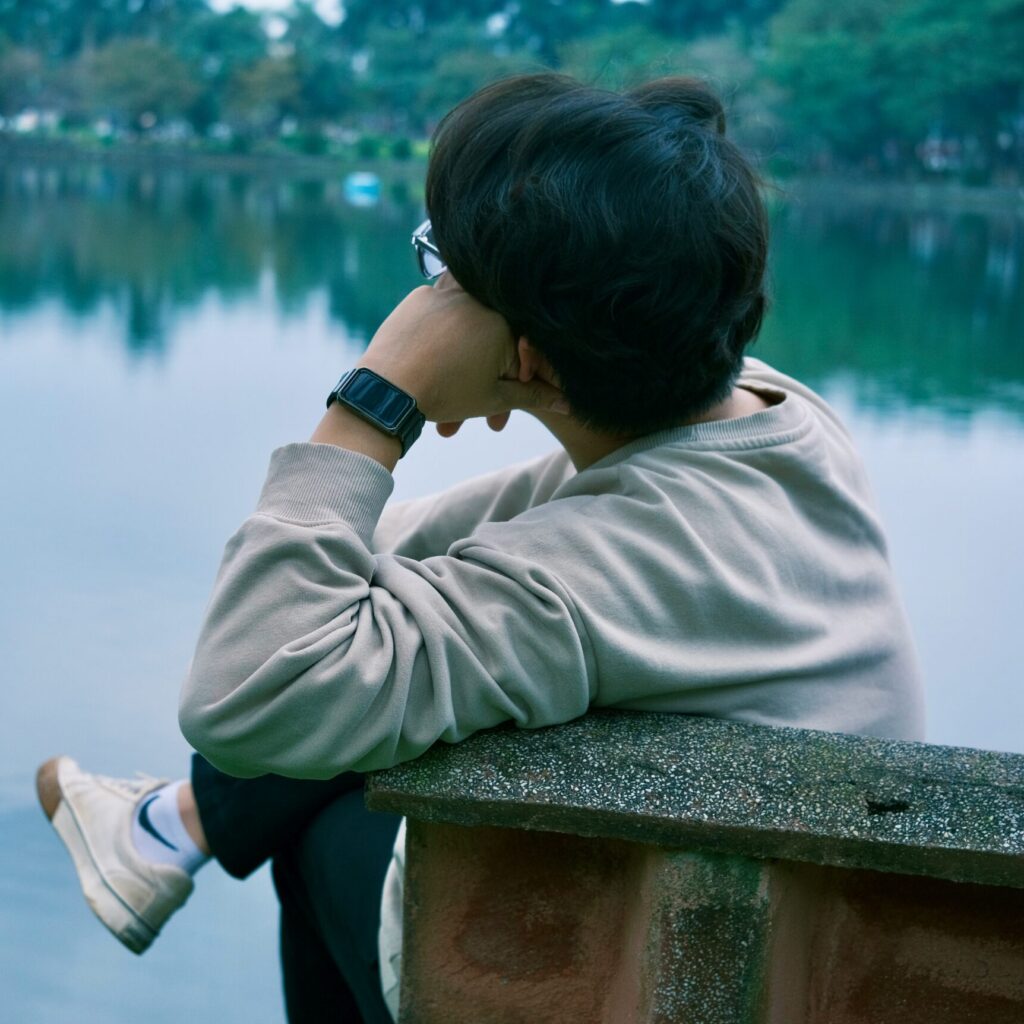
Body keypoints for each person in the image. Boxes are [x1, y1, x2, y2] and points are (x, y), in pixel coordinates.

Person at [37, 72, 925, 1024]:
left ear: (529, 354)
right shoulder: (781, 418)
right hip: (773, 940)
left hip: (665, 980)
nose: (426, 301)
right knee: (378, 660)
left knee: (338, 793)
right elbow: (416, 557)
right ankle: (171, 827)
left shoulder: (595, 576)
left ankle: (171, 828)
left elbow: (244, 688)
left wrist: (378, 395)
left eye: (443, 278)